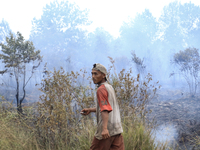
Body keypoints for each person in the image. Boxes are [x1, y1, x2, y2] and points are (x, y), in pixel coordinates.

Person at [81, 63, 124, 150]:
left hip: (106, 132)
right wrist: (91, 110)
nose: (93, 76)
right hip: (117, 130)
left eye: (96, 74)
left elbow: (105, 109)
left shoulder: (101, 90)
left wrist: (104, 129)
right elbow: (108, 107)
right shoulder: (109, 87)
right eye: (92, 74)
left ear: (103, 75)